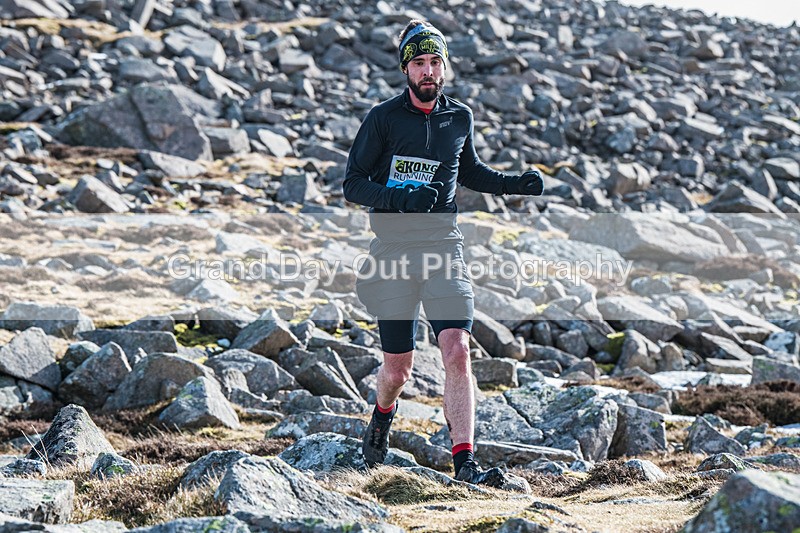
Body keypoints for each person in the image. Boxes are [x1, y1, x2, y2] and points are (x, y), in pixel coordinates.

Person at [342, 19, 544, 487]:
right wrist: (402, 198)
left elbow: (467, 170)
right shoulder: (383, 119)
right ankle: (382, 414)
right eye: (419, 63)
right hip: (392, 252)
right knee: (399, 370)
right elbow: (353, 183)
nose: (428, 71)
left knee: (457, 349)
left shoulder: (460, 118)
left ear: (445, 65)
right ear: (406, 69)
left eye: (435, 62)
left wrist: (512, 184)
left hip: (443, 250)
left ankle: (465, 463)